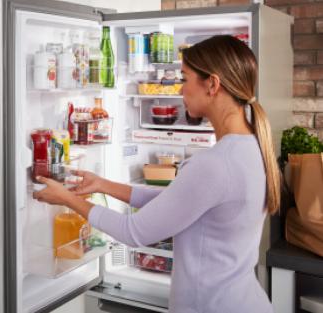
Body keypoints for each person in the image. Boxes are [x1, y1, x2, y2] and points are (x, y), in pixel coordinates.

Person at [33, 35, 279, 313]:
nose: (179, 90)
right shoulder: (253, 146)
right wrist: (103, 185)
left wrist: (68, 199)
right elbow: (176, 203)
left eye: (184, 80)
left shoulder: (215, 163)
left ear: (212, 84)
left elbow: (134, 231)